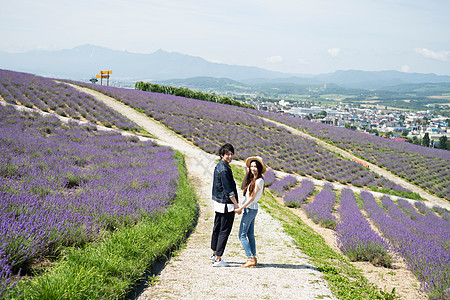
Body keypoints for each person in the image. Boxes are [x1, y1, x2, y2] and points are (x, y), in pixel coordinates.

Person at [210, 143, 239, 267]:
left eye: (232, 154)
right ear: (222, 155)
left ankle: (214, 252)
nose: (230, 156)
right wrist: (237, 205)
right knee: (224, 230)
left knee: (217, 228)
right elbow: (229, 190)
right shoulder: (224, 169)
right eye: (227, 154)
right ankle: (218, 259)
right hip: (226, 204)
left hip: (219, 203)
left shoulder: (220, 166)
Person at [235, 156, 266, 268]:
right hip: (252, 209)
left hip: (250, 209)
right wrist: (247, 173)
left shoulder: (259, 180)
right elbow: (243, 186)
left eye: (255, 166)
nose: (253, 168)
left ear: (259, 168)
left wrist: (240, 208)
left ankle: (250, 258)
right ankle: (253, 256)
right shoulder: (253, 179)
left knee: (242, 235)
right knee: (250, 234)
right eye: (251, 166)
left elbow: (251, 198)